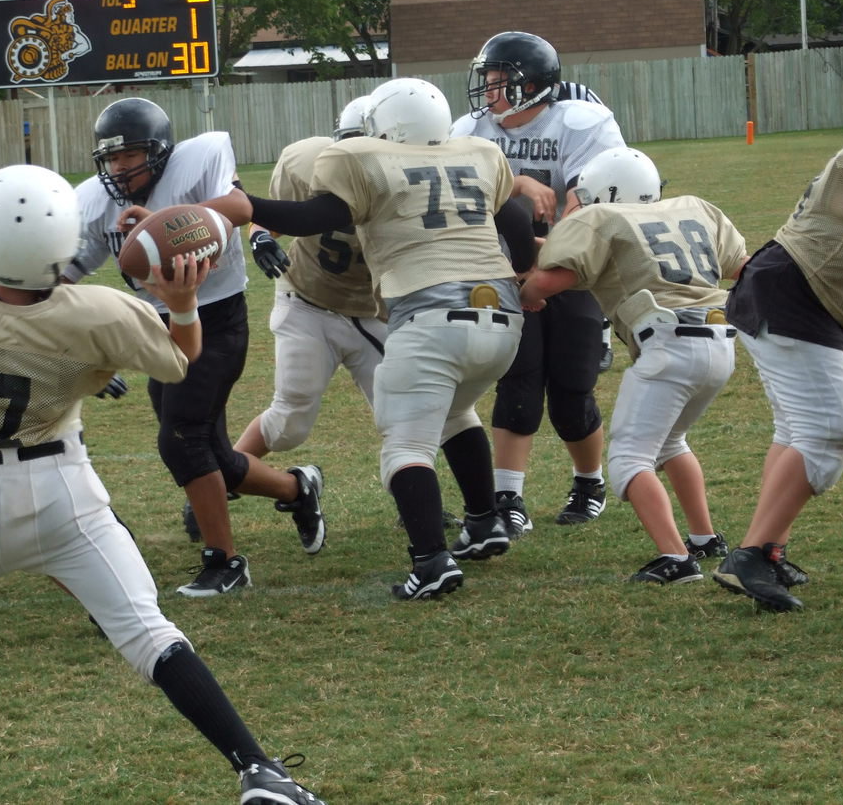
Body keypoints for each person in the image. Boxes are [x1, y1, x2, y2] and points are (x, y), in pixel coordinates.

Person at [0, 165, 327, 805]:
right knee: (148, 633)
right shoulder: (97, 312)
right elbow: (181, 361)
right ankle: (258, 770)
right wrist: (182, 305)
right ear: (62, 248)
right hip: (67, 495)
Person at [209, 77, 538, 600]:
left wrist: (250, 209)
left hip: (423, 315)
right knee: (454, 413)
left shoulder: (364, 161)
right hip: (499, 314)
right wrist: (529, 278)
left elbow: (319, 214)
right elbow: (516, 223)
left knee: (405, 444)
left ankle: (431, 561)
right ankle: (485, 521)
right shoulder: (473, 154)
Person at [64, 97, 325, 597]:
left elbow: (239, 207)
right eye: (112, 158)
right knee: (213, 452)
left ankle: (224, 561)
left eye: (130, 155)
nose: (119, 168)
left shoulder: (197, 162)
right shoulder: (99, 202)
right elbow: (68, 273)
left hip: (218, 319)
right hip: (159, 327)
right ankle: (297, 488)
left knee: (182, 437)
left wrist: (165, 222)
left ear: (160, 151)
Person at [521, 147, 748, 583]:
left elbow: (552, 280)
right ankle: (704, 539)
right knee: (671, 443)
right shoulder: (693, 209)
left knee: (628, 460)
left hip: (668, 347)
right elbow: (743, 266)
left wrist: (527, 294)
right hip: (719, 343)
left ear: (605, 192)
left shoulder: (601, 217)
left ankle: (676, 559)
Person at [716, 105, 843, 611]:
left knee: (798, 429)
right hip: (795, 292)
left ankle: (765, 549)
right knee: (829, 427)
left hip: (800, 288)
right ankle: (753, 554)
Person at [451, 30, 626, 536]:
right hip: (502, 269)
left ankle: (589, 482)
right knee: (518, 381)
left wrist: (544, 259)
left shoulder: (581, 122)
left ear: (533, 84)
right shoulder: (472, 128)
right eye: (487, 79)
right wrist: (517, 183)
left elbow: (588, 203)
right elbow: (464, 195)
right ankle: (508, 497)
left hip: (571, 270)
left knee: (573, 388)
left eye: (498, 80)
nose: (487, 91)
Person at [233, 95, 387, 460]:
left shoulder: (411, 184)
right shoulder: (309, 164)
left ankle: (415, 501)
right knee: (289, 421)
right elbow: (277, 215)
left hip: (373, 310)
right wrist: (260, 236)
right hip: (308, 301)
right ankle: (222, 481)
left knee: (404, 413)